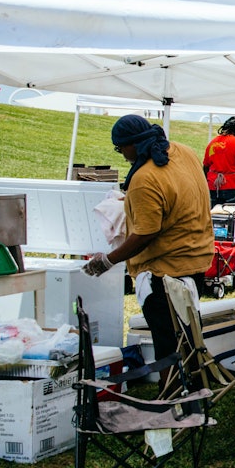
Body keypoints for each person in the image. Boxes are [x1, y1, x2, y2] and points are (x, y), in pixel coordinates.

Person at [82, 115, 213, 397]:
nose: (123, 156)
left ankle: (172, 397)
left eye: (120, 150)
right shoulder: (183, 151)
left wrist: (108, 260)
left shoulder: (144, 178)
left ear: (130, 145)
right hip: (196, 260)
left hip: (163, 271)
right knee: (187, 335)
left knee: (166, 341)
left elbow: (145, 233)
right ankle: (196, 391)